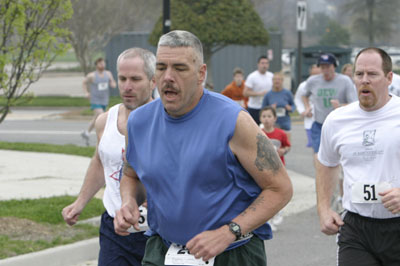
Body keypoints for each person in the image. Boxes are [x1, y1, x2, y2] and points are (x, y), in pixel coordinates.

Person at [114, 30, 293, 265]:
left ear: (201, 74)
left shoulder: (234, 121)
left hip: (233, 252)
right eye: (161, 67)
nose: (168, 77)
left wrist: (229, 232)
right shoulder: (139, 122)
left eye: (179, 68)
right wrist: (128, 202)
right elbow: (131, 174)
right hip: (163, 250)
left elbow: (280, 189)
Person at [62, 48, 156, 266]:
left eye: (135, 79)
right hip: (116, 230)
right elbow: (99, 161)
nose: (127, 86)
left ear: (153, 81)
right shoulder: (105, 120)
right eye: (122, 78)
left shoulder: (167, 122)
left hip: (157, 234)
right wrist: (80, 203)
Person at [316, 47, 400, 265]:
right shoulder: (337, 120)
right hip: (356, 228)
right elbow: (326, 163)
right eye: (359, 74)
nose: (365, 80)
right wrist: (324, 209)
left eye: (372, 74)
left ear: (389, 78)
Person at [302, 53, 357, 157]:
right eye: (322, 67)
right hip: (319, 125)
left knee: (339, 156)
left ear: (334, 66)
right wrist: (308, 107)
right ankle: (319, 173)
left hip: (339, 125)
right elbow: (304, 95)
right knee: (318, 155)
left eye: (328, 66)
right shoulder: (313, 81)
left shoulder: (345, 81)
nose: (325, 70)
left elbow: (354, 104)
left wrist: (340, 106)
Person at [260, 106, 291, 232]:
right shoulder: (257, 132)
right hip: (262, 169)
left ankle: (278, 212)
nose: (266, 119)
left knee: (278, 192)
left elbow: (287, 146)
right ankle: (267, 220)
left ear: (275, 118)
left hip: (278, 168)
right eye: (264, 116)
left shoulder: (280, 133)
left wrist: (283, 150)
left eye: (269, 116)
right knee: (264, 193)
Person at [81, 57, 117, 146]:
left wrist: (113, 84)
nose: (102, 65)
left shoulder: (108, 74)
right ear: (96, 65)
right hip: (95, 99)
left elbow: (113, 82)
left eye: (103, 63)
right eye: (100, 63)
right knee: (101, 115)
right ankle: (102, 137)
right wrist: (86, 92)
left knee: (97, 118)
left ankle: (86, 132)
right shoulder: (92, 75)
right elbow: (84, 82)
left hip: (104, 99)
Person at [261, 72, 295, 140]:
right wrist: (271, 109)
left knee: (286, 146)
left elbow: (293, 105)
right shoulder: (268, 94)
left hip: (285, 122)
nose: (277, 81)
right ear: (272, 81)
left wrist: (290, 108)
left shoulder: (287, 93)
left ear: (282, 81)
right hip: (272, 124)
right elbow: (263, 109)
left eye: (279, 79)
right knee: (274, 145)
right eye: (275, 79)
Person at [294, 64, 321, 148]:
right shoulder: (303, 86)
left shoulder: (325, 85)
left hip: (323, 121)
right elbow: (298, 99)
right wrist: (303, 111)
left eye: (318, 74)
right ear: (310, 73)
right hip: (310, 120)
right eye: (314, 74)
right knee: (313, 146)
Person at [243, 55, 273, 125]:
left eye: (266, 63)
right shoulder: (252, 76)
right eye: (262, 63)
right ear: (258, 64)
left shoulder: (271, 76)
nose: (264, 65)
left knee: (266, 132)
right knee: (254, 132)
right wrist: (259, 94)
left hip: (267, 108)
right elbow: (245, 93)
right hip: (254, 108)